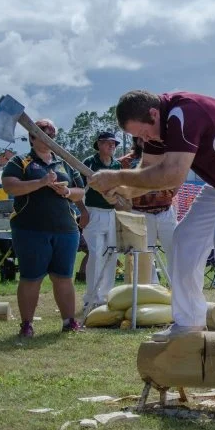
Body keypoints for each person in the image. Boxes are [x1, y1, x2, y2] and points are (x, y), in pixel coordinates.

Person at [88, 90, 215, 344]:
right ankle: (189, 320)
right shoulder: (157, 125)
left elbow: (172, 175)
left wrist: (116, 178)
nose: (143, 140)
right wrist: (123, 191)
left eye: (143, 133)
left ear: (153, 113)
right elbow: (148, 173)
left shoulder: (183, 114)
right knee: (184, 239)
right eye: (138, 137)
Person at [0, 119, 86, 337]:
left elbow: (80, 191)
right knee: (31, 277)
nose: (48, 138)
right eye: (42, 133)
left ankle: (69, 322)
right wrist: (41, 182)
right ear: (32, 137)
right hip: (31, 229)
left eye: (51, 134)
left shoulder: (65, 162)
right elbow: (9, 186)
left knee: (64, 277)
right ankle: (27, 324)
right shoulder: (21, 161)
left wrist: (66, 192)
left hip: (66, 229)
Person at [118, 136, 178, 284]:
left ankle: (176, 288)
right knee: (144, 255)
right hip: (140, 212)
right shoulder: (125, 162)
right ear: (137, 141)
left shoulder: (164, 157)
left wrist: (170, 193)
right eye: (143, 139)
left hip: (166, 211)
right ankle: (152, 289)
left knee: (175, 251)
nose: (147, 142)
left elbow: (177, 177)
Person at [79, 132, 122, 314]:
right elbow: (79, 190)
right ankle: (91, 298)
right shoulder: (89, 163)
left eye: (113, 143)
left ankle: (106, 296)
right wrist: (82, 212)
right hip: (93, 212)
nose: (111, 146)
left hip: (111, 213)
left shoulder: (117, 164)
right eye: (107, 143)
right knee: (96, 255)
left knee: (111, 255)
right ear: (99, 144)